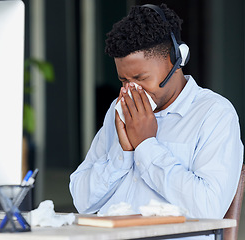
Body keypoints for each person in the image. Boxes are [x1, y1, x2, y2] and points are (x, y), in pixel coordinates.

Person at [69, 3, 243, 236]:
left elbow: (208, 210)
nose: (132, 90)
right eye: (124, 80)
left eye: (141, 78)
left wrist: (146, 145)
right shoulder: (119, 110)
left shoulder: (215, 114)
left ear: (175, 58)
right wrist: (124, 153)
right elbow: (83, 202)